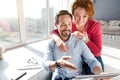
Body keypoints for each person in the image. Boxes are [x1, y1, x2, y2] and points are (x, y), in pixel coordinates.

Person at [43, 10, 107, 80]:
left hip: (77, 78)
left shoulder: (79, 42)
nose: (67, 28)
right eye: (63, 24)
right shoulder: (51, 43)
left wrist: (100, 74)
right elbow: (46, 64)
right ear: (56, 25)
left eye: (69, 24)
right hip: (59, 77)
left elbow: (92, 61)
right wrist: (58, 64)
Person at [50, 0, 104, 74]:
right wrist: (58, 40)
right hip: (76, 54)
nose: (80, 20)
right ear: (73, 14)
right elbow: (54, 32)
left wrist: (84, 38)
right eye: (77, 15)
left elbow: (97, 52)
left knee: (97, 74)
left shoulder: (95, 26)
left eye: (84, 16)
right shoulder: (70, 24)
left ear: (89, 16)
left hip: (91, 54)